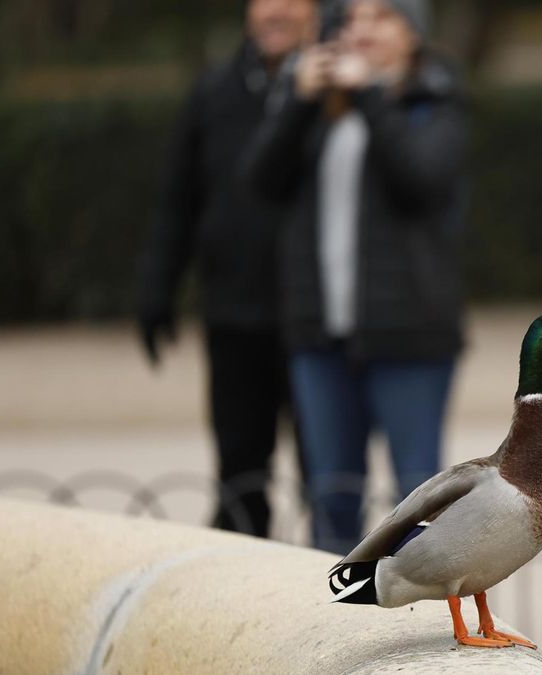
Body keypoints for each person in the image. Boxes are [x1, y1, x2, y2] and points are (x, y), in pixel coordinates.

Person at [242, 0, 468, 554]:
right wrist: (297, 104)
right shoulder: (322, 113)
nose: (361, 30)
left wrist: (371, 95)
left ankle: (418, 630)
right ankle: (341, 628)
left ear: (413, 36)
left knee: (417, 497)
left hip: (408, 336)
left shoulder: (436, 103)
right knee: (331, 497)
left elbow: (421, 183)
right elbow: (259, 184)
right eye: (350, 20)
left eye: (381, 17)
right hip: (321, 338)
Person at [136, 0, 320, 538]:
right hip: (235, 313)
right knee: (240, 471)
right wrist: (157, 286)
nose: (276, 12)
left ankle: (329, 603)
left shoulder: (335, 92)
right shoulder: (213, 93)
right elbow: (179, 199)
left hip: (314, 318)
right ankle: (240, 598)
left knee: (326, 473)